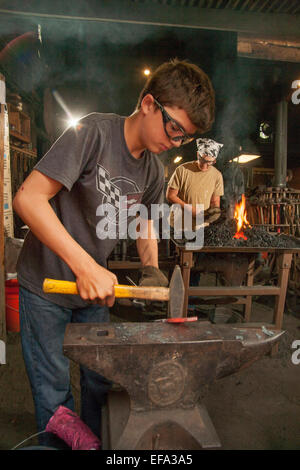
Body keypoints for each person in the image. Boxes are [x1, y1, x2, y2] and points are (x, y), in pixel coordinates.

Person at [12, 58, 215, 448]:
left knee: (100, 384)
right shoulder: (92, 133)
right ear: (149, 104)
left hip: (95, 291)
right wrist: (85, 265)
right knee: (54, 393)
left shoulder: (153, 171)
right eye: (174, 129)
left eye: (184, 138)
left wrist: (152, 268)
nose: (175, 143)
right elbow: (29, 199)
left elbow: (144, 222)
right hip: (46, 285)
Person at [166, 137, 224, 240]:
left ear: (214, 160)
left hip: (201, 227)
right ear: (198, 154)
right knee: (180, 255)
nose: (206, 165)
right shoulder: (182, 170)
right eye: (203, 160)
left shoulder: (217, 175)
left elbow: (215, 201)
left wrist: (214, 212)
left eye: (210, 162)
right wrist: (191, 210)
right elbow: (170, 196)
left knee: (198, 255)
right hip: (179, 224)